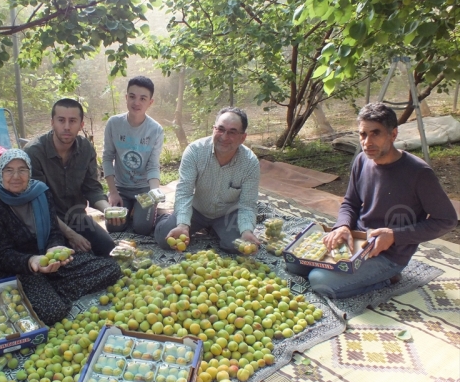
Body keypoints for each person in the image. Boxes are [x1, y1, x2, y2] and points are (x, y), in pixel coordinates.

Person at [286, 103, 457, 298]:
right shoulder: (361, 161)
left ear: (393, 135)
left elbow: (447, 220)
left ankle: (387, 278)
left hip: (389, 255)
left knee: (320, 281)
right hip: (358, 241)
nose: (367, 142)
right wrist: (342, 227)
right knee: (293, 262)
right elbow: (350, 203)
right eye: (363, 135)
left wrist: (394, 235)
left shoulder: (418, 173)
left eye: (376, 133)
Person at [0, 149, 121, 325]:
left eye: (22, 170)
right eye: (9, 170)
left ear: (29, 171)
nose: (16, 176)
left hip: (49, 260)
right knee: (53, 312)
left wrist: (54, 247)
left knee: (110, 269)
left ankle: (48, 289)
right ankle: (45, 291)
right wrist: (31, 261)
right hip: (17, 269)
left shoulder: (40, 192)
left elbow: (53, 231)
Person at [154, 107, 260, 253]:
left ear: (243, 138)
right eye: (220, 129)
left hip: (227, 213)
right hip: (196, 210)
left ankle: (218, 228)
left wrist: (246, 230)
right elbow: (184, 191)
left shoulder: (250, 162)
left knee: (238, 246)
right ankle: (167, 216)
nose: (224, 136)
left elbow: (247, 204)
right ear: (213, 129)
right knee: (164, 239)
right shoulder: (195, 151)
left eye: (232, 132)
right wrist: (183, 224)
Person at [25, 98, 115, 256]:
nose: (66, 127)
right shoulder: (34, 153)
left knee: (109, 249)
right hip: (46, 224)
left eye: (72, 121)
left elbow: (92, 188)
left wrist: (108, 211)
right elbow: (39, 206)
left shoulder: (86, 148)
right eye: (61, 120)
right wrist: (71, 235)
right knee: (66, 262)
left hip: (77, 218)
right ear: (52, 122)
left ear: (81, 125)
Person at [103, 76, 164, 235]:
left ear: (150, 102)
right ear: (126, 98)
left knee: (142, 228)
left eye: (142, 98)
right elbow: (107, 157)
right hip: (121, 188)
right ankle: (128, 208)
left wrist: (154, 192)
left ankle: (144, 212)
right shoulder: (113, 124)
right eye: (132, 96)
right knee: (113, 227)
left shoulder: (156, 130)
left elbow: (152, 165)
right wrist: (114, 192)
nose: (136, 102)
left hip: (144, 189)